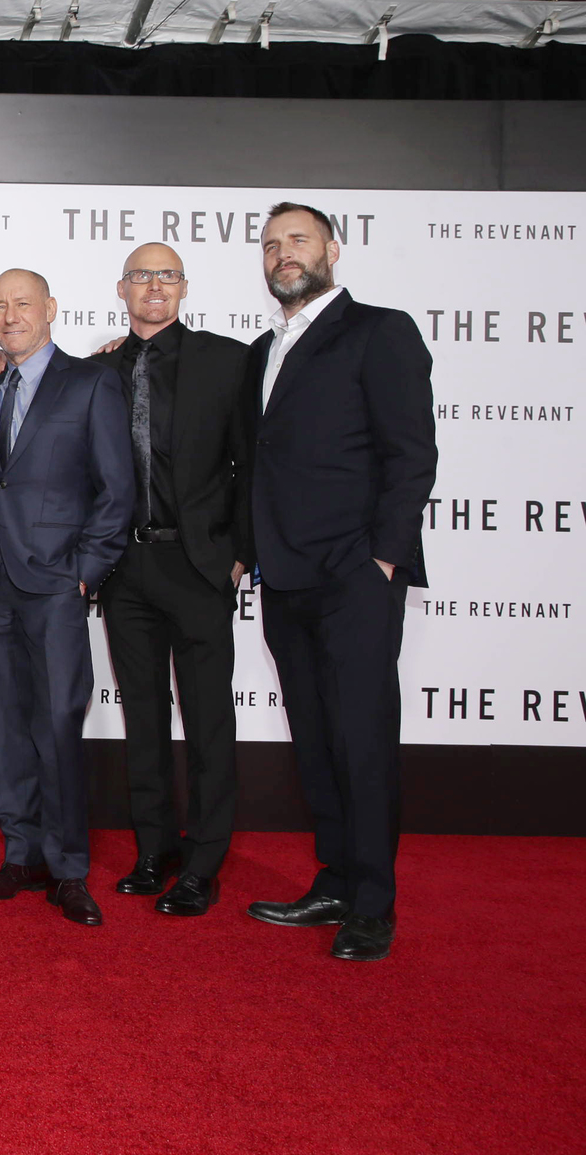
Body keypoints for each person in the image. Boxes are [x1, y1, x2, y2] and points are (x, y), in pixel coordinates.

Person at [245, 202, 435, 963]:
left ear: (331, 248)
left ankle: (373, 903)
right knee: (317, 740)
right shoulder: (264, 347)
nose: (284, 254)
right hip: (284, 576)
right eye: (271, 244)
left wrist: (382, 559)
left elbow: (411, 453)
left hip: (354, 575)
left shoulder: (379, 330)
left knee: (361, 740)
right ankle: (334, 879)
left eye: (298, 240)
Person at [0, 268, 133, 927]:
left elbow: (117, 489)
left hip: (57, 584)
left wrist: (85, 572)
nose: (10, 315)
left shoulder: (92, 381)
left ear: (52, 310)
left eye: (22, 304)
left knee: (59, 723)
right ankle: (20, 853)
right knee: (7, 725)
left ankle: (68, 868)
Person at [95, 243, 253, 917]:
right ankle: (154, 849)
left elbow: (254, 463)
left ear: (184, 287)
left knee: (209, 718)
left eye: (166, 275)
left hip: (198, 566)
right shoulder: (99, 367)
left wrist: (239, 551)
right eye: (140, 276)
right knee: (145, 718)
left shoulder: (227, 359)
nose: (153, 286)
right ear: (121, 290)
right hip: (126, 568)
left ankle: (205, 861)